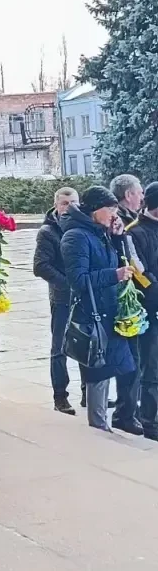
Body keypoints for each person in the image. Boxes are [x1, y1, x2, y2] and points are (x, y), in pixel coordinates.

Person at [60, 186, 136, 432]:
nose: (115, 214)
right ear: (94, 210)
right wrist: (113, 275)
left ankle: (112, 421)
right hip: (93, 315)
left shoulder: (101, 232)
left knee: (122, 367)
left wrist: (118, 237)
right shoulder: (76, 236)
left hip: (110, 311)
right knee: (98, 373)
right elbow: (78, 280)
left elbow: (121, 260)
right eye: (110, 209)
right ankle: (98, 428)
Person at [33, 187, 85, 415]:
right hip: (62, 297)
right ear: (56, 205)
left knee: (87, 343)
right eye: (64, 203)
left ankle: (89, 392)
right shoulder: (48, 232)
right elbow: (40, 266)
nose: (69, 207)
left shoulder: (83, 225)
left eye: (73, 202)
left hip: (83, 295)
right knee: (60, 347)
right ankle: (60, 396)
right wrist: (67, 283)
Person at [108, 173, 145, 433]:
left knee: (136, 359)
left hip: (132, 295)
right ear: (129, 194)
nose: (141, 196)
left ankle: (131, 409)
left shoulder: (131, 218)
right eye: (139, 191)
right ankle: (125, 412)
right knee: (131, 360)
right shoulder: (121, 223)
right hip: (126, 296)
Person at [128, 181, 158, 440]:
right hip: (150, 309)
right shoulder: (134, 232)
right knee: (151, 366)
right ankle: (150, 421)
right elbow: (140, 272)